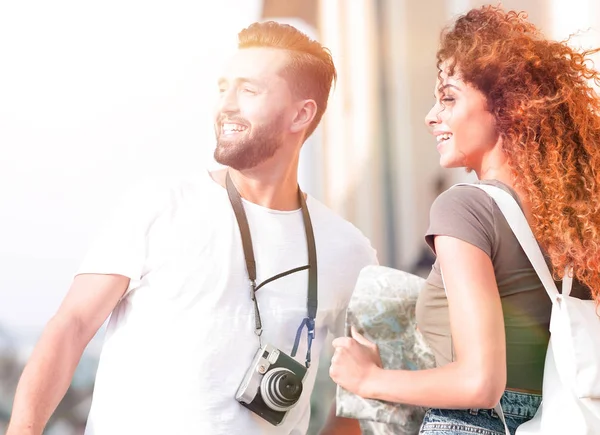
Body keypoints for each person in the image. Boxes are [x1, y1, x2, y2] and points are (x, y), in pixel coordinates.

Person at [7, 21, 376, 435]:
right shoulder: (161, 204)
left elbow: (359, 396)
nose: (226, 105)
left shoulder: (350, 253)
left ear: (301, 113)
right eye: (223, 88)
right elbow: (71, 326)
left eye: (249, 90)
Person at [329, 5, 599, 434]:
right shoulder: (574, 220)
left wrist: (369, 379)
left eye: (449, 97)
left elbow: (480, 382)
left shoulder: (465, 208)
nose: (431, 115)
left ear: (507, 108)